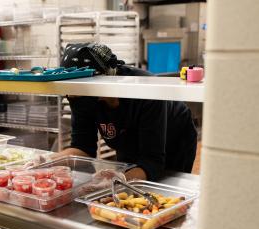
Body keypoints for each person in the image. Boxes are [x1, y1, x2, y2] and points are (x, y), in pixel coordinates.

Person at [57, 43, 198, 181]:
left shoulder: (146, 91)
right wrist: (44, 161)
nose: (71, 97)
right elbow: (82, 148)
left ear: (102, 79)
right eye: (69, 92)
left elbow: (153, 162)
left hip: (174, 137)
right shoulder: (81, 97)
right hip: (128, 137)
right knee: (128, 179)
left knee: (167, 184)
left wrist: (119, 181)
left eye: (77, 93)